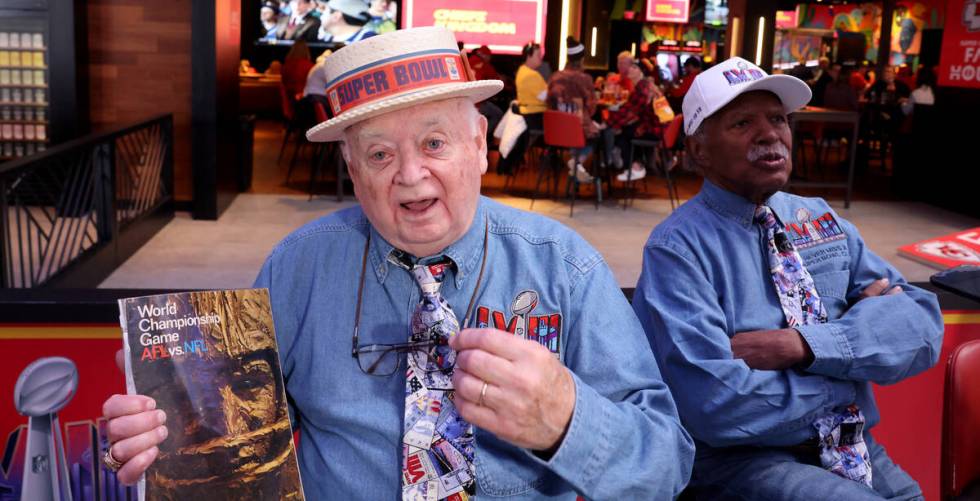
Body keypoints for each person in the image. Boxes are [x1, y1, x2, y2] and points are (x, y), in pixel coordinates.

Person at [100, 26, 694, 500]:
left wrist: (568, 420)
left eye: (434, 143)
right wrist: (164, 433)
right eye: (379, 154)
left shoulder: (566, 269)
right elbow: (234, 437)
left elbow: (666, 467)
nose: (411, 176)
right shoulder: (297, 268)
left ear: (479, 146)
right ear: (353, 173)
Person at [632, 56, 943, 500]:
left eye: (778, 118)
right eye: (742, 123)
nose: (770, 134)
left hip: (854, 446)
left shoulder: (818, 218)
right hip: (746, 462)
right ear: (699, 150)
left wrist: (803, 347)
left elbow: (922, 327)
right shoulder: (677, 249)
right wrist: (851, 369)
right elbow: (717, 405)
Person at [547, 36, 598, 183]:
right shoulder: (584, 79)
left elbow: (549, 104)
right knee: (596, 137)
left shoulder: (554, 77)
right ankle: (577, 162)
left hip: (556, 131)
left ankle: (575, 168)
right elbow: (592, 107)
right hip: (578, 130)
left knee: (581, 133)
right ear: (582, 59)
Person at [603, 60, 663, 182]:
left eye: (634, 67)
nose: (630, 69)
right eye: (630, 67)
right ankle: (628, 164)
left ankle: (633, 166)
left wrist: (608, 123)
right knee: (622, 130)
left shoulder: (642, 89)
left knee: (621, 134)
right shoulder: (644, 85)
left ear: (641, 72)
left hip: (652, 130)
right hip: (653, 127)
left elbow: (631, 112)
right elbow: (630, 110)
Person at [496, 42, 548, 175]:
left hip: (527, 113)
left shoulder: (522, 71)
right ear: (529, 56)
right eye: (538, 55)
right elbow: (545, 97)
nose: (540, 58)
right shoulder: (531, 75)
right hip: (534, 115)